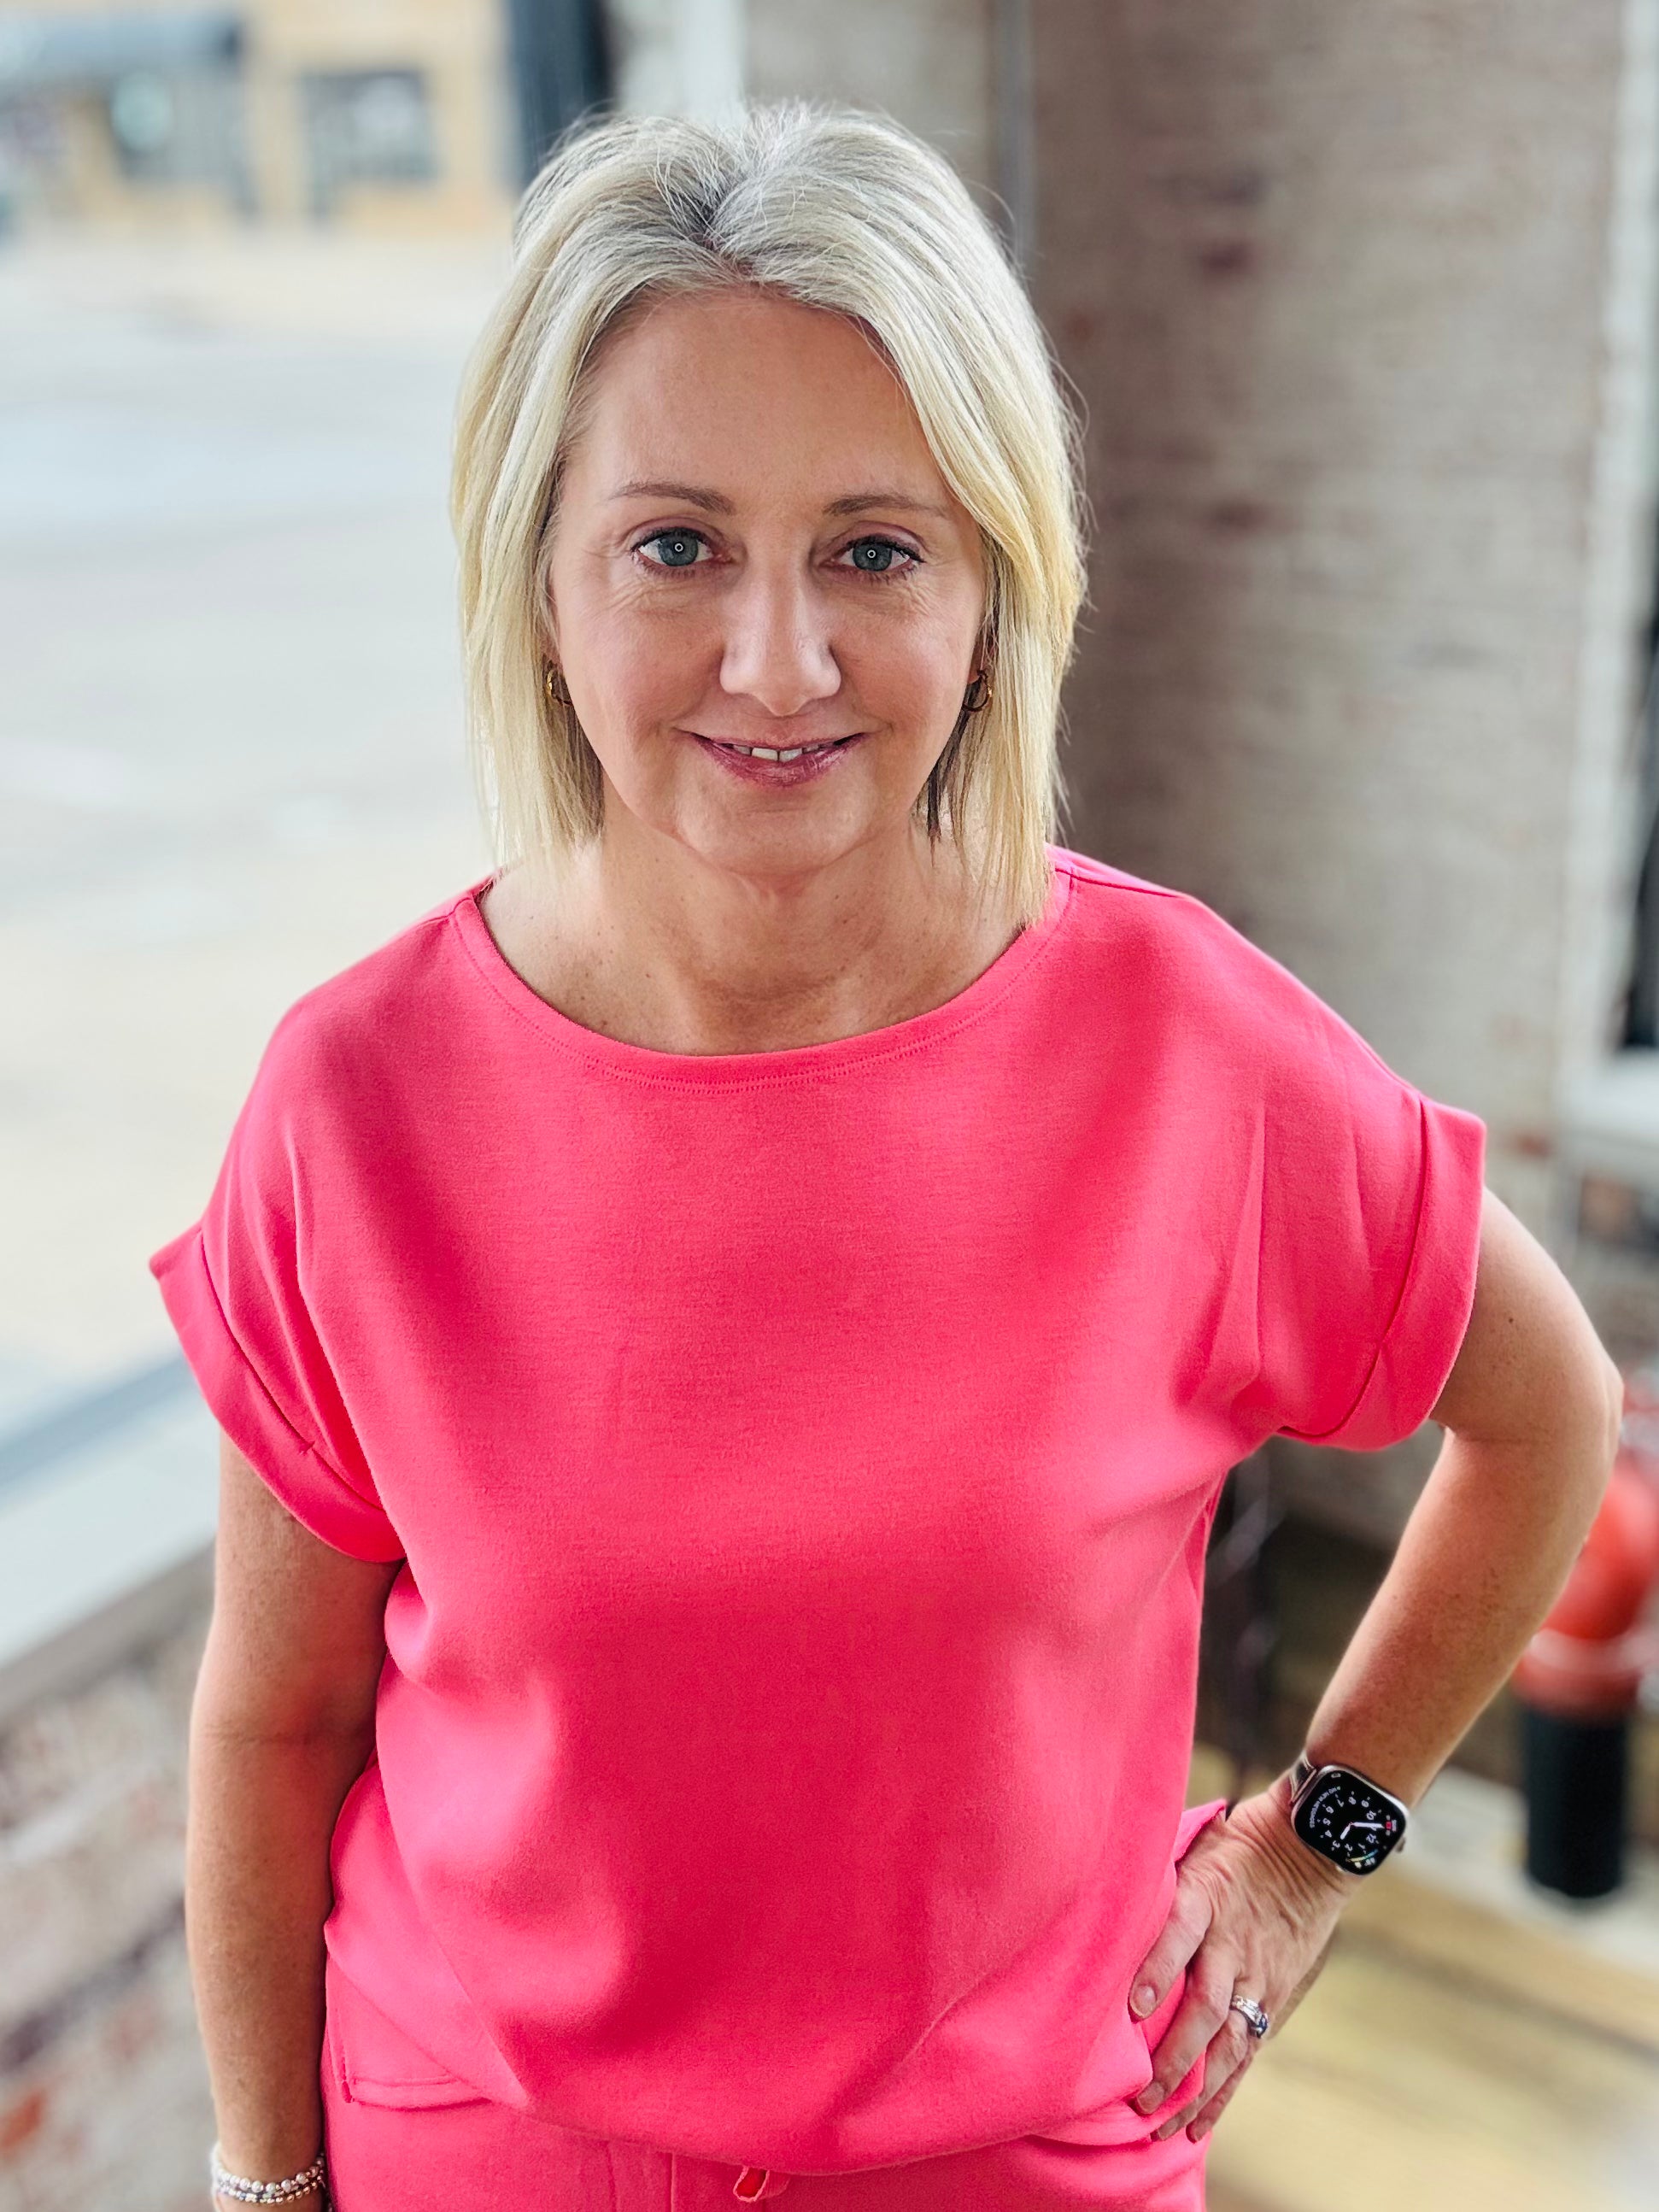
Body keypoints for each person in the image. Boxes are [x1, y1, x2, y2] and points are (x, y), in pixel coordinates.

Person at [150, 102, 1622, 2212]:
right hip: (471, 2156)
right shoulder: (353, 1100)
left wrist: (1318, 1840)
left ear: (990, 591)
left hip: (1020, 2165)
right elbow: (274, 1724)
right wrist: (264, 2185)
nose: (779, 661)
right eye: (675, 546)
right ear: (539, 580)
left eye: (872, 548)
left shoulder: (1184, 1050)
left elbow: (1544, 1412)